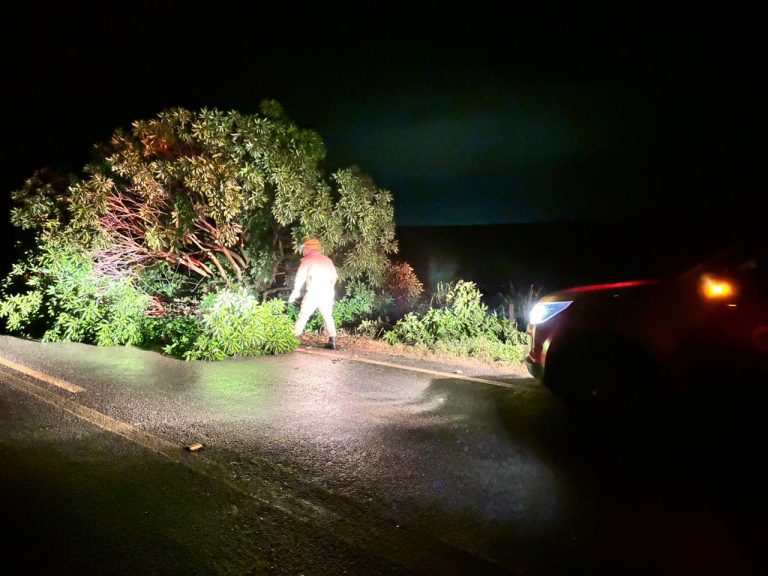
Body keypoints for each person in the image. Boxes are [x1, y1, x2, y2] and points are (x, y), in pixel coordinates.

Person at [287, 237, 338, 350]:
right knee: (327, 316)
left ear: (308, 249)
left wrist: (295, 293)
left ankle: (293, 338)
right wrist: (330, 289)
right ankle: (332, 340)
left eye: (305, 248)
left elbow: (299, 279)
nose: (303, 250)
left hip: (313, 293)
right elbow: (334, 277)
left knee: (303, 315)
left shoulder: (307, 261)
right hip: (327, 292)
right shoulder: (327, 260)